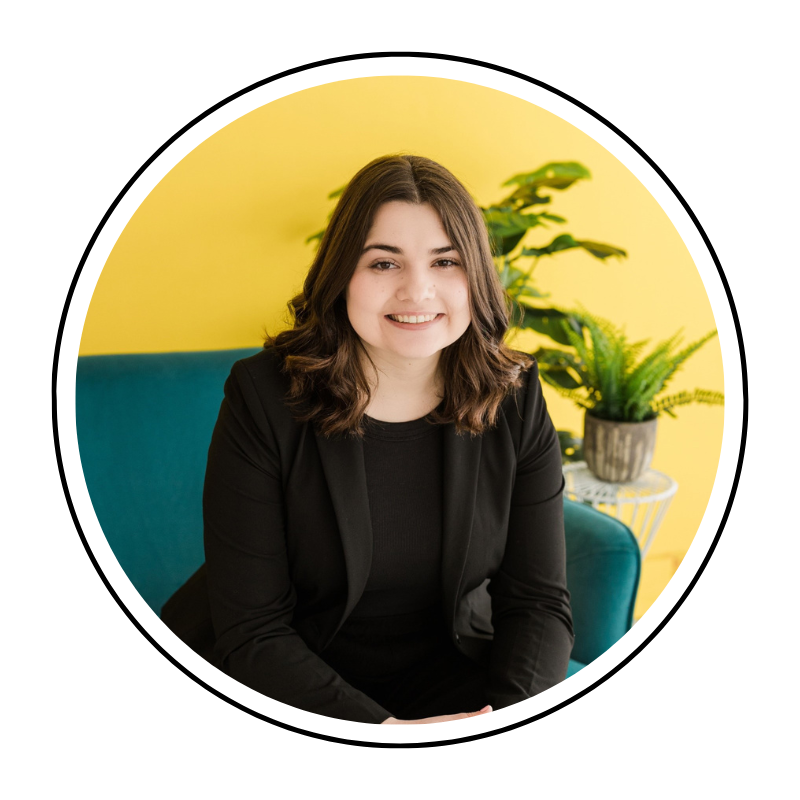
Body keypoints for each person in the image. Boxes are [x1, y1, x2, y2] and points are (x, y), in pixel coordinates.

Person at [162, 154, 574, 724]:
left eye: (445, 261)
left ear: (475, 275)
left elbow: (538, 602)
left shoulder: (515, 394)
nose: (418, 290)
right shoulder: (262, 398)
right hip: (285, 675)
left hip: (446, 675)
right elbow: (254, 629)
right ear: (341, 276)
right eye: (384, 263)